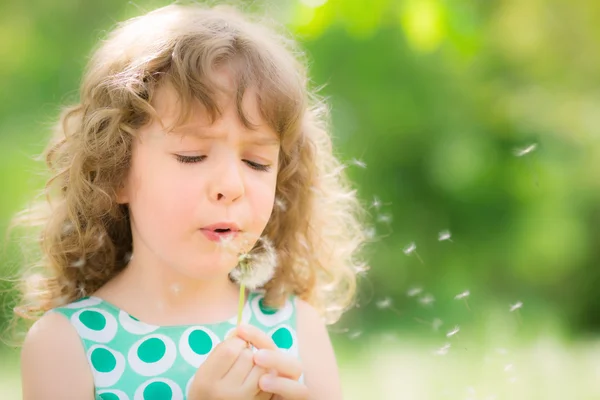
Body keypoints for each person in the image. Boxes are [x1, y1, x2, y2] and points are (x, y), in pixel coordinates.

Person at [13, 3, 368, 399]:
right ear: (115, 173)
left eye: (257, 161)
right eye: (192, 156)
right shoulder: (66, 345)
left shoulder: (297, 330)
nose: (231, 185)